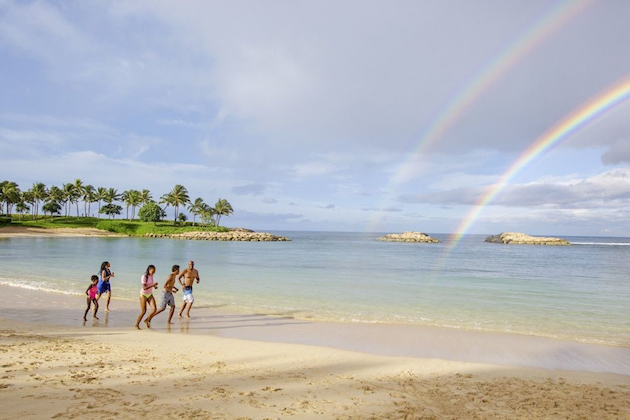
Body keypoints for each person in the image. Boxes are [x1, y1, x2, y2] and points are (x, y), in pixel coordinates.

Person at [135, 265, 158, 329]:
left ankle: (147, 320)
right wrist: (152, 285)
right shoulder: (144, 276)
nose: (153, 273)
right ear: (149, 270)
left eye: (154, 272)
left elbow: (150, 284)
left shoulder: (151, 276)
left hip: (150, 294)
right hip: (143, 294)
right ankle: (137, 325)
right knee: (143, 311)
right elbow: (144, 288)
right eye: (152, 271)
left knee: (154, 309)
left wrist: (154, 286)